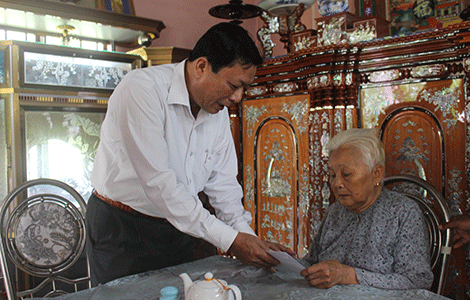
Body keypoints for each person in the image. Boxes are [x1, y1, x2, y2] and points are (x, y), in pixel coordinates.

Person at [86, 22, 294, 286]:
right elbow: (160, 184)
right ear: (201, 67)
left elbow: (224, 186)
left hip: (178, 227)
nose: (238, 97)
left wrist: (250, 242)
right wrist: (230, 241)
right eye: (233, 85)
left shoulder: (216, 111)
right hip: (122, 228)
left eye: (244, 89)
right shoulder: (142, 90)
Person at [300, 128, 433, 290]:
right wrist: (279, 259)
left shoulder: (402, 212)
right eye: (333, 175)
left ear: (377, 174)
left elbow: (417, 281)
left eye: (347, 174)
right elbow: (312, 262)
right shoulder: (335, 211)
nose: (337, 184)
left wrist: (348, 276)